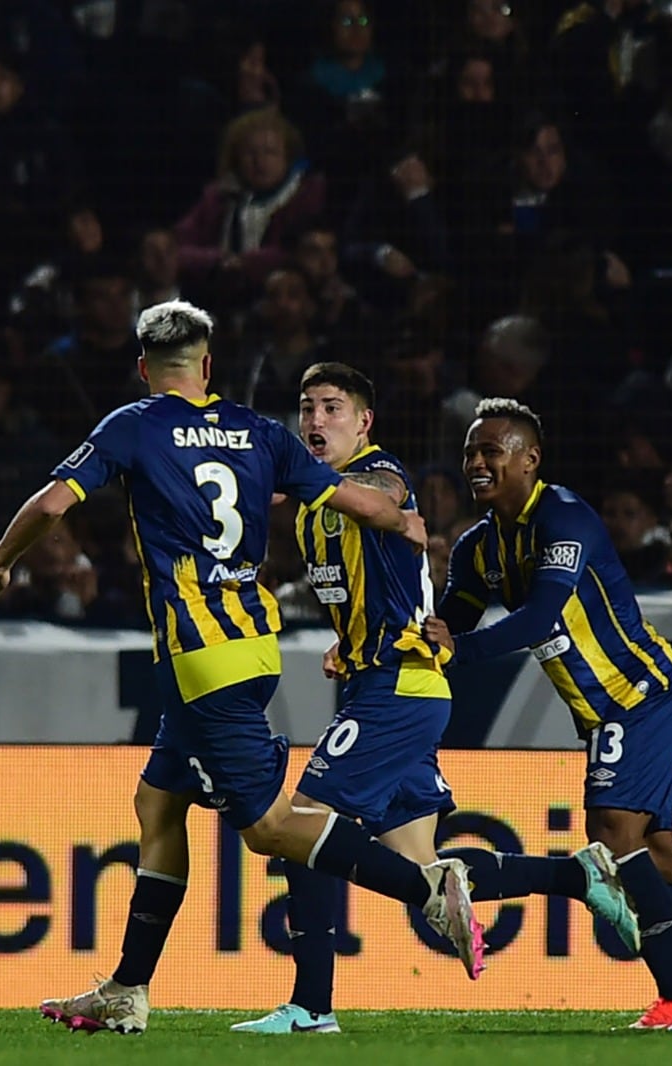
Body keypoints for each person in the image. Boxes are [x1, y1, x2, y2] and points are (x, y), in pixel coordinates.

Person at [0, 301, 484, 1037]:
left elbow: (50, 505)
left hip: (203, 658)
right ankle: (128, 987)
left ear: (144, 369)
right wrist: (404, 521)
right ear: (206, 365)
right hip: (247, 646)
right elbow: (356, 500)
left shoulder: (133, 424)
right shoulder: (259, 431)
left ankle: (426, 888)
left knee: (271, 827)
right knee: (158, 803)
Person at [234, 365, 636, 1035]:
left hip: (399, 689)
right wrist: (348, 642)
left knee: (302, 828)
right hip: (386, 682)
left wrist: (369, 504)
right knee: (421, 863)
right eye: (306, 409)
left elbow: (384, 493)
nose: (315, 420)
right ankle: (578, 877)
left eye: (332, 407)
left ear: (363, 421)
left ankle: (312, 1007)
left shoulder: (377, 474)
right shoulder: (313, 506)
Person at [425, 398, 672, 1032]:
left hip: (641, 692)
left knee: (612, 838)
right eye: (470, 452)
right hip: (604, 714)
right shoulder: (477, 547)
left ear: (530, 459)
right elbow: (449, 627)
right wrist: (403, 642)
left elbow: (538, 618)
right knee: (655, 859)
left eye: (491, 450)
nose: (477, 463)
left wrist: (461, 648)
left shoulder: (564, 518)